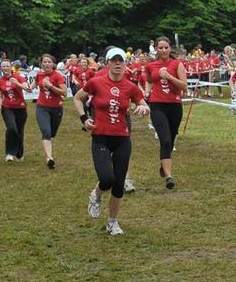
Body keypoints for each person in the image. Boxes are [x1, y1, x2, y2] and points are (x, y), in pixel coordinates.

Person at [74, 48, 150, 235]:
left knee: (119, 184)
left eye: (120, 60)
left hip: (122, 138)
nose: (117, 64)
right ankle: (96, 194)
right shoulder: (96, 82)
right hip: (101, 138)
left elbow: (143, 103)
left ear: (125, 64)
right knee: (107, 179)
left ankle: (112, 222)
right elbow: (77, 98)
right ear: (107, 63)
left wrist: (143, 108)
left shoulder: (130, 86)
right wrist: (84, 119)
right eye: (114, 60)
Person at [145, 36, 188, 189]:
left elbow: (184, 86)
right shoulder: (150, 65)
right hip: (157, 105)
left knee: (171, 137)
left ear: (170, 49)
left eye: (166, 47)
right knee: (165, 140)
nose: (163, 50)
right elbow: (149, 80)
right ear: (156, 49)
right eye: (160, 48)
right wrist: (147, 92)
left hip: (175, 105)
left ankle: (164, 163)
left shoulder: (177, 64)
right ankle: (169, 177)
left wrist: (169, 77)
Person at [33, 54, 68, 169]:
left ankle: (49, 149)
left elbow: (64, 93)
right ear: (41, 64)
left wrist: (50, 86)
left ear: (53, 64)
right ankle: (49, 158)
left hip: (56, 108)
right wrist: (21, 84)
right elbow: (32, 86)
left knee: (52, 133)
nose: (47, 64)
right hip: (42, 107)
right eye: (45, 62)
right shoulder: (39, 75)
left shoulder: (57, 76)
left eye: (49, 62)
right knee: (46, 132)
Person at [0, 59, 29, 162]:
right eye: (3, 66)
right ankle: (9, 153)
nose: (5, 68)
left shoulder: (18, 77)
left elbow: (27, 88)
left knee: (19, 130)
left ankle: (19, 153)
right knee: (11, 128)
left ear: (11, 67)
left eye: (7, 66)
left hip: (21, 107)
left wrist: (17, 83)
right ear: (0, 68)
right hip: (7, 108)